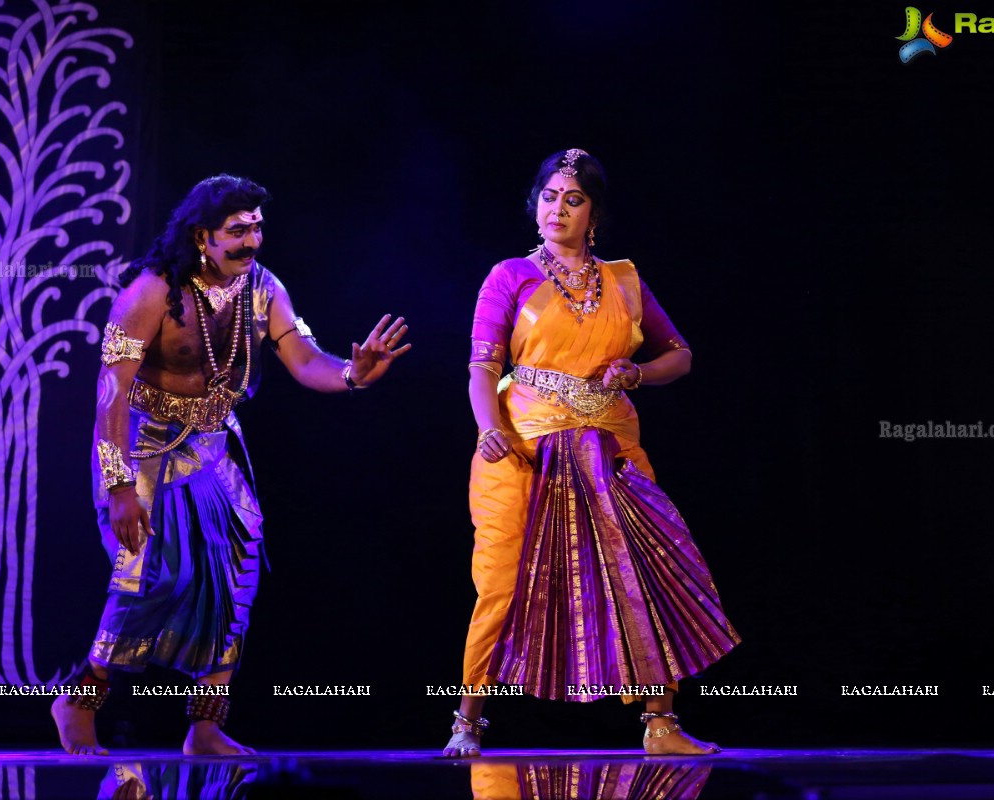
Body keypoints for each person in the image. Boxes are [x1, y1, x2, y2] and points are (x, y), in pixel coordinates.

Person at [52, 174, 410, 756]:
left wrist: (351, 374)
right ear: (202, 237)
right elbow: (110, 394)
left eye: (257, 228)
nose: (252, 241)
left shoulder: (264, 289)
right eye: (237, 231)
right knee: (152, 576)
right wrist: (118, 486)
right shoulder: (151, 293)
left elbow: (302, 359)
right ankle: (81, 697)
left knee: (235, 574)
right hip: (142, 448)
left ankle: (205, 727)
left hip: (213, 447)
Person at [443, 149, 739, 757]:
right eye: (549, 197)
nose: (558, 209)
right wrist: (485, 428)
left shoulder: (624, 280)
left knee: (647, 571)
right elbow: (482, 368)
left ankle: (662, 726)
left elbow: (679, 355)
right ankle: (467, 722)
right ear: (535, 205)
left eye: (573, 200)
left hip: (611, 451)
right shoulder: (509, 277)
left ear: (593, 213)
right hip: (524, 449)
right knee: (501, 582)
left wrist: (637, 373)